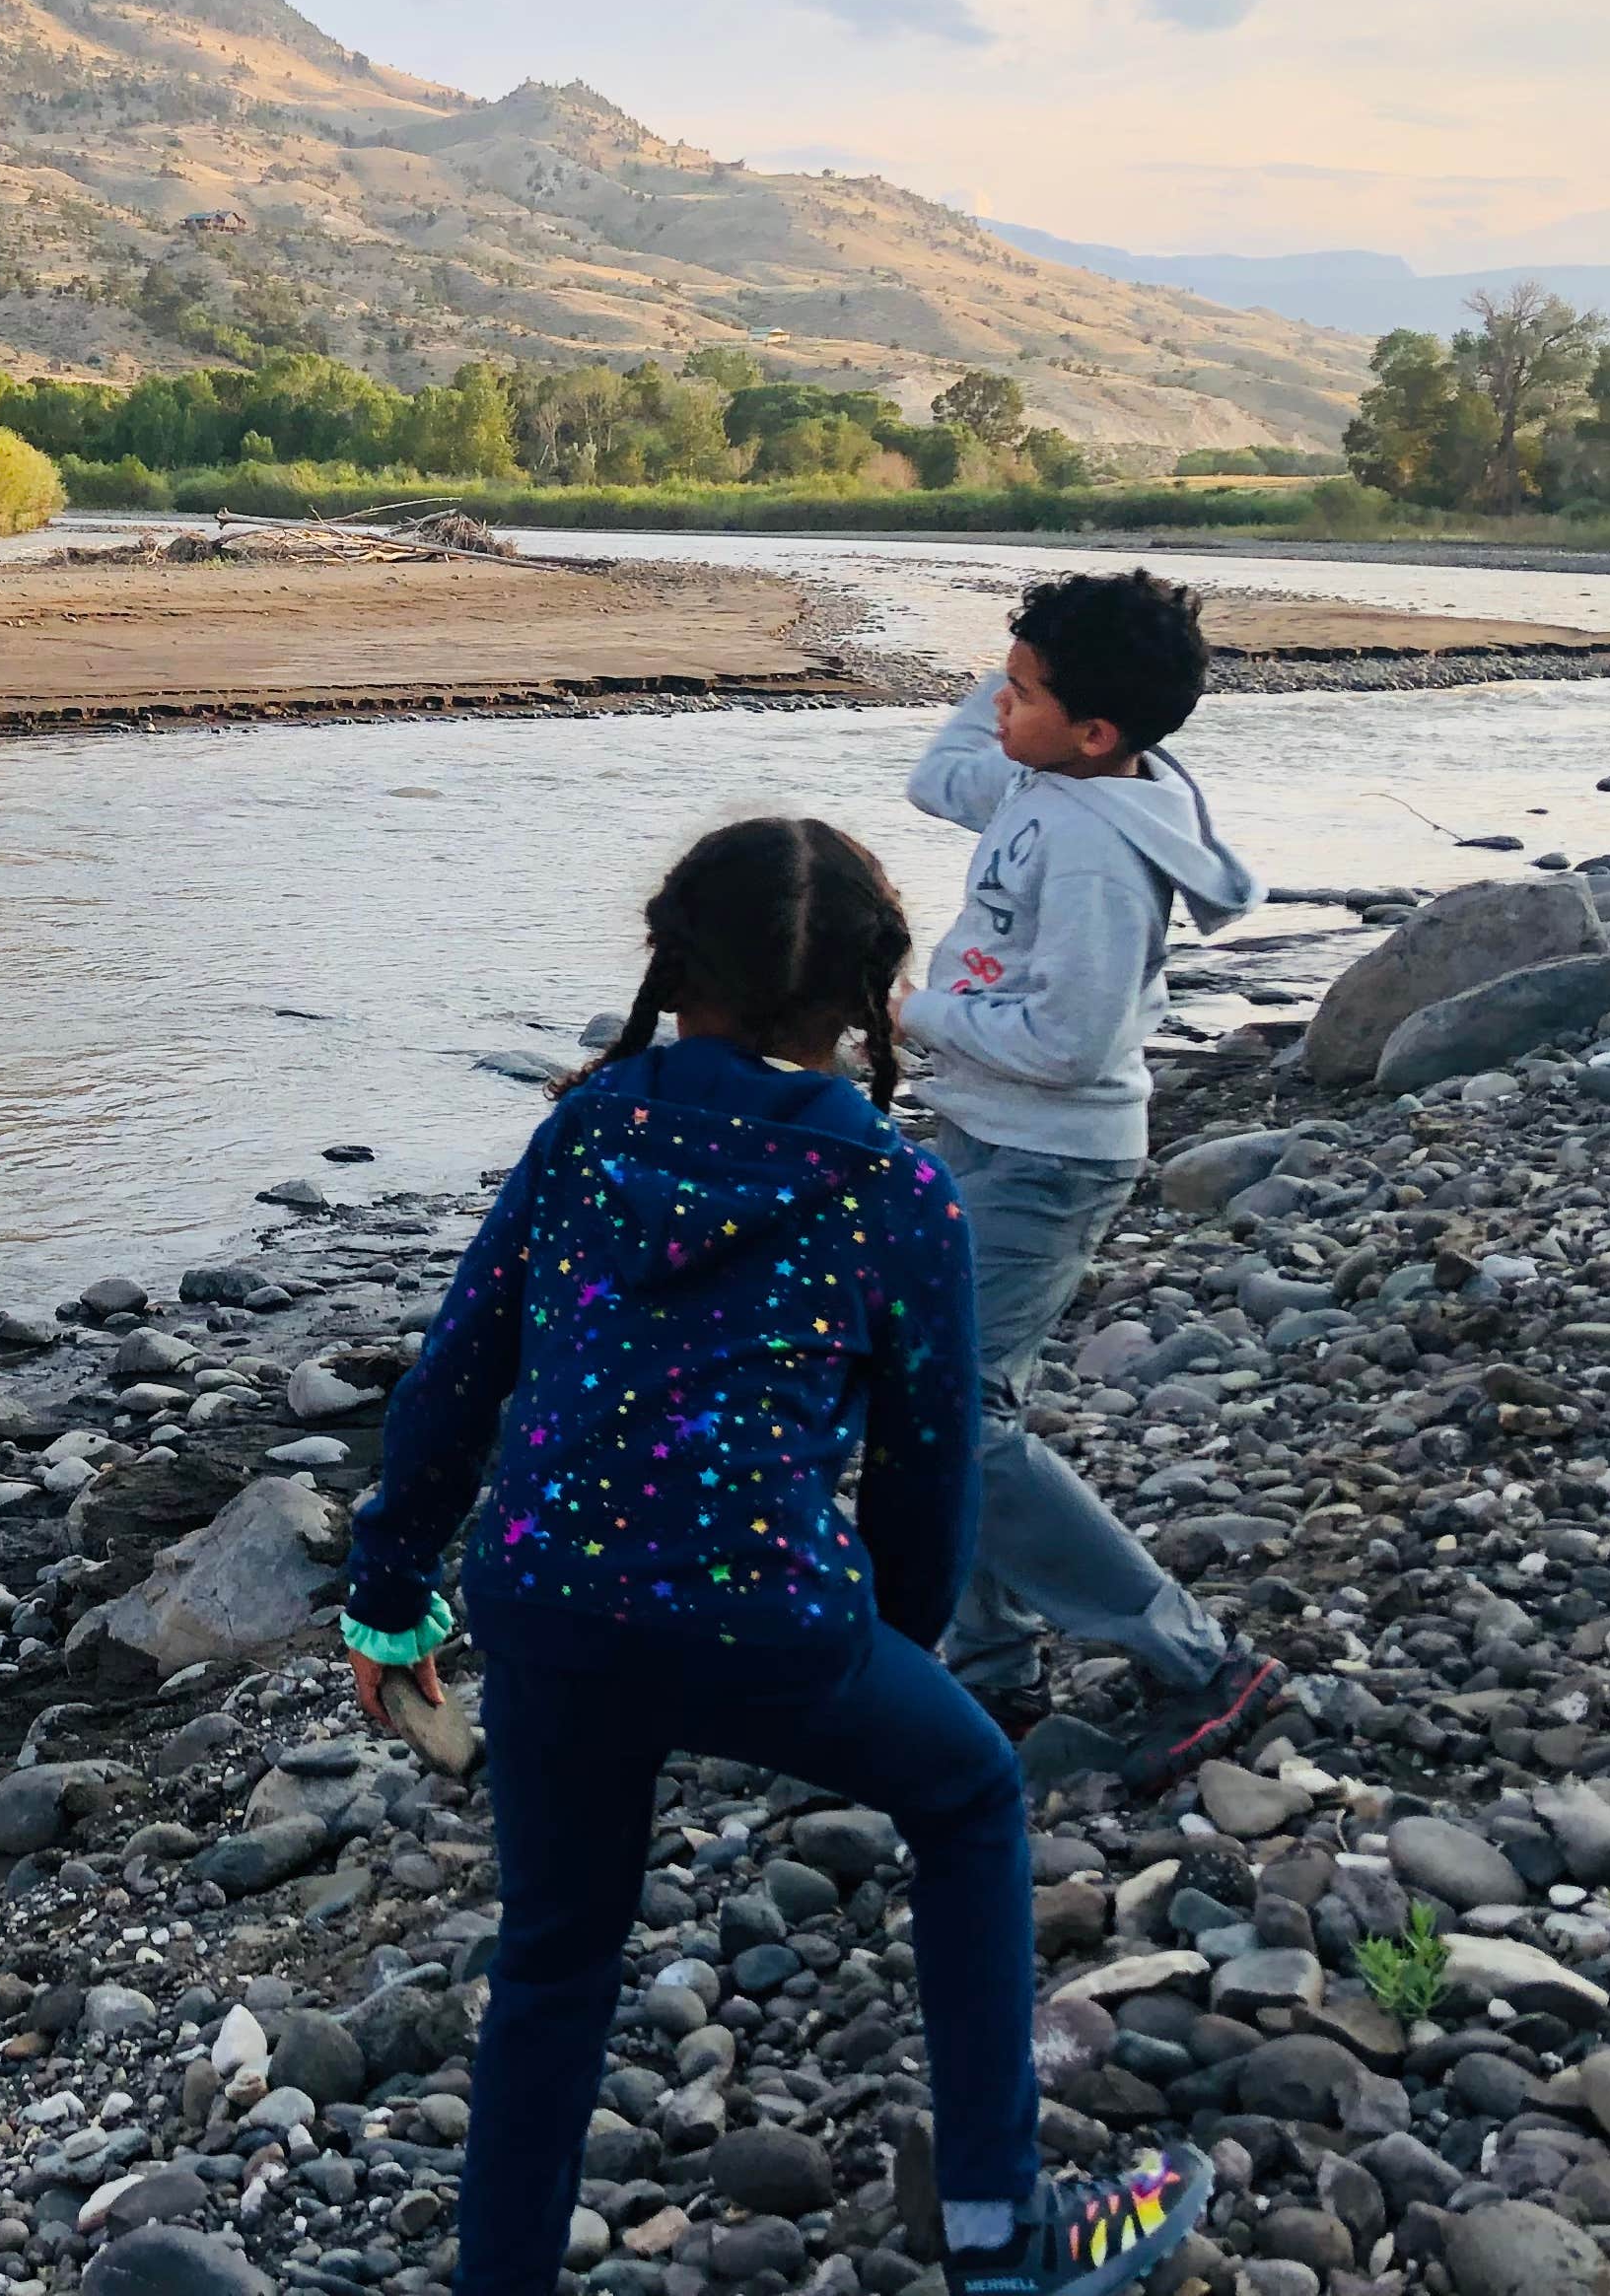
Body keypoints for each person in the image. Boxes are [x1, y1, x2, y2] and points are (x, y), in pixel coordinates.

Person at [341, 816, 1211, 2296]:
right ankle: (1005, 2239)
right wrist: (899, 1652)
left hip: (549, 1603)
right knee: (973, 1791)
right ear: (871, 1001)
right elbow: (929, 1475)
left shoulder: (587, 1130)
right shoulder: (896, 1195)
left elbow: (457, 1374)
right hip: (772, 1624)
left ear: (674, 965)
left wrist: (386, 1601)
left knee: (554, 1965)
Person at [898, 568, 1281, 1792]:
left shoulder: (1105, 855)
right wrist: (1032, 658)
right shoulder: (1042, 773)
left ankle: (1199, 1658)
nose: (997, 711)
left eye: (1022, 694)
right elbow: (934, 772)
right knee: (935, 1407)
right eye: (1005, 690)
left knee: (956, 1421)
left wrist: (908, 1017)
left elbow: (1073, 1046)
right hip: (982, 1134)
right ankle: (990, 1669)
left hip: (1046, 1159)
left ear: (1098, 731)